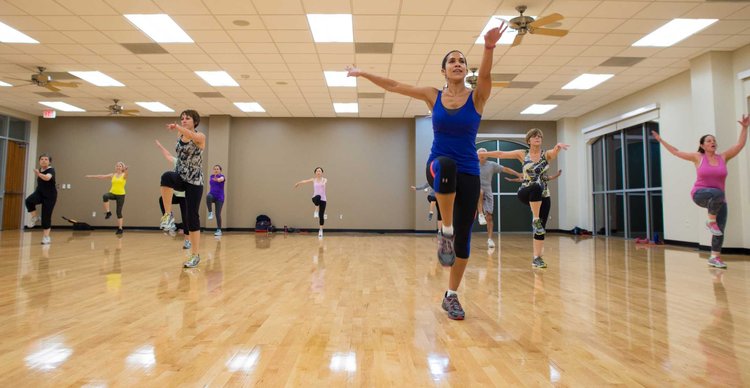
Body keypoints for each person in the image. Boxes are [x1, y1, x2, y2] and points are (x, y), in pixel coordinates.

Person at [347, 21, 508, 320]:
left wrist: (489, 48)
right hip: (437, 168)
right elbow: (395, 86)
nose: (458, 64)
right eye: (452, 61)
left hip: (469, 172)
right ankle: (444, 228)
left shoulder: (477, 97)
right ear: (443, 71)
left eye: (462, 61)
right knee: (446, 167)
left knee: (464, 241)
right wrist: (363, 73)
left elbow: (485, 75)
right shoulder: (433, 95)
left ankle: (452, 295)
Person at [651, 114, 748, 269]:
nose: (713, 142)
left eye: (714, 140)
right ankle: (710, 221)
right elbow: (676, 151)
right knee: (717, 195)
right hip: (700, 194)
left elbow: (739, 145)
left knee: (719, 230)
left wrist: (744, 128)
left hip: (719, 199)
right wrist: (661, 141)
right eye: (709, 140)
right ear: (702, 145)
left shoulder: (723, 157)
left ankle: (714, 257)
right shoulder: (698, 157)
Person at [479, 129, 570, 269]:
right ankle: (535, 219)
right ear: (529, 140)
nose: (537, 138)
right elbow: (501, 154)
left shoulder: (545, 155)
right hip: (525, 192)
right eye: (534, 136)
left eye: (540, 136)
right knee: (535, 187)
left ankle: (537, 258)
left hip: (543, 196)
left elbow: (553, 153)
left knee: (540, 229)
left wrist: (557, 147)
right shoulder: (523, 154)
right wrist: (483, 154)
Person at [158, 110, 205, 268]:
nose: (184, 120)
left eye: (187, 118)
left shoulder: (200, 137)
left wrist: (178, 126)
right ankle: (167, 215)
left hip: (194, 181)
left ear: (195, 122)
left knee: (192, 218)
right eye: (182, 118)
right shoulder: (179, 136)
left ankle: (195, 255)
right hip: (180, 176)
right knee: (166, 177)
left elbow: (193, 137)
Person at [476, 148, 522, 248]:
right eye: (480, 154)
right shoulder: (472, 164)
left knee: (489, 216)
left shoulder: (492, 165)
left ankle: (490, 239)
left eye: (485, 153)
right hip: (474, 189)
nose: (483, 155)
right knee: (480, 192)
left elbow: (505, 169)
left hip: (488, 190)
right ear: (477, 155)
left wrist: (517, 174)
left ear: (487, 155)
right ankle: (480, 214)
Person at [155, 139, 190, 249]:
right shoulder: (177, 161)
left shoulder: (190, 164)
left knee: (186, 218)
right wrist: (160, 146)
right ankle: (168, 218)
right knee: (162, 199)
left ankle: (187, 241)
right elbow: (168, 155)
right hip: (176, 194)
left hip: (184, 196)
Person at [85, 161, 128, 235]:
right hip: (112, 193)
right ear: (115, 167)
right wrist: (91, 176)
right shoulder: (112, 175)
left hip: (121, 195)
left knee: (118, 212)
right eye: (117, 166)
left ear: (122, 168)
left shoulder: (124, 175)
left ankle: (120, 229)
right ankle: (108, 212)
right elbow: (101, 176)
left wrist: (126, 169)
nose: (118, 167)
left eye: (120, 166)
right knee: (105, 196)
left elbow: (126, 174)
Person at [25, 153, 57, 244]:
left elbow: (47, 178)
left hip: (50, 196)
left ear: (49, 162)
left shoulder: (51, 170)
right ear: (39, 161)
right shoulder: (39, 169)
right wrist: (39, 173)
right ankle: (35, 217)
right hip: (39, 193)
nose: (43, 161)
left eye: (46, 159)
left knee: (46, 217)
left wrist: (39, 174)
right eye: (42, 159)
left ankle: (46, 237)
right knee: (29, 201)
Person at [294, 167, 327, 239]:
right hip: (315, 198)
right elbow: (305, 181)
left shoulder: (324, 179)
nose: (318, 172)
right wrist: (298, 183)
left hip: (323, 200)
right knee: (318, 196)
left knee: (321, 215)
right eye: (317, 171)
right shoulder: (313, 180)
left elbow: (324, 184)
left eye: (320, 171)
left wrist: (323, 184)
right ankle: (315, 210)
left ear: (322, 173)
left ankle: (321, 230)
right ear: (315, 172)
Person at [206, 165, 225, 237]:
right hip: (212, 195)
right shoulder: (211, 176)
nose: (216, 170)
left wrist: (217, 179)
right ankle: (210, 212)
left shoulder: (222, 176)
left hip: (219, 197)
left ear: (220, 170)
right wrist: (215, 179)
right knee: (208, 196)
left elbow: (221, 179)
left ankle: (219, 230)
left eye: (217, 169)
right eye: (215, 169)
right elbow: (213, 181)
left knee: (218, 214)